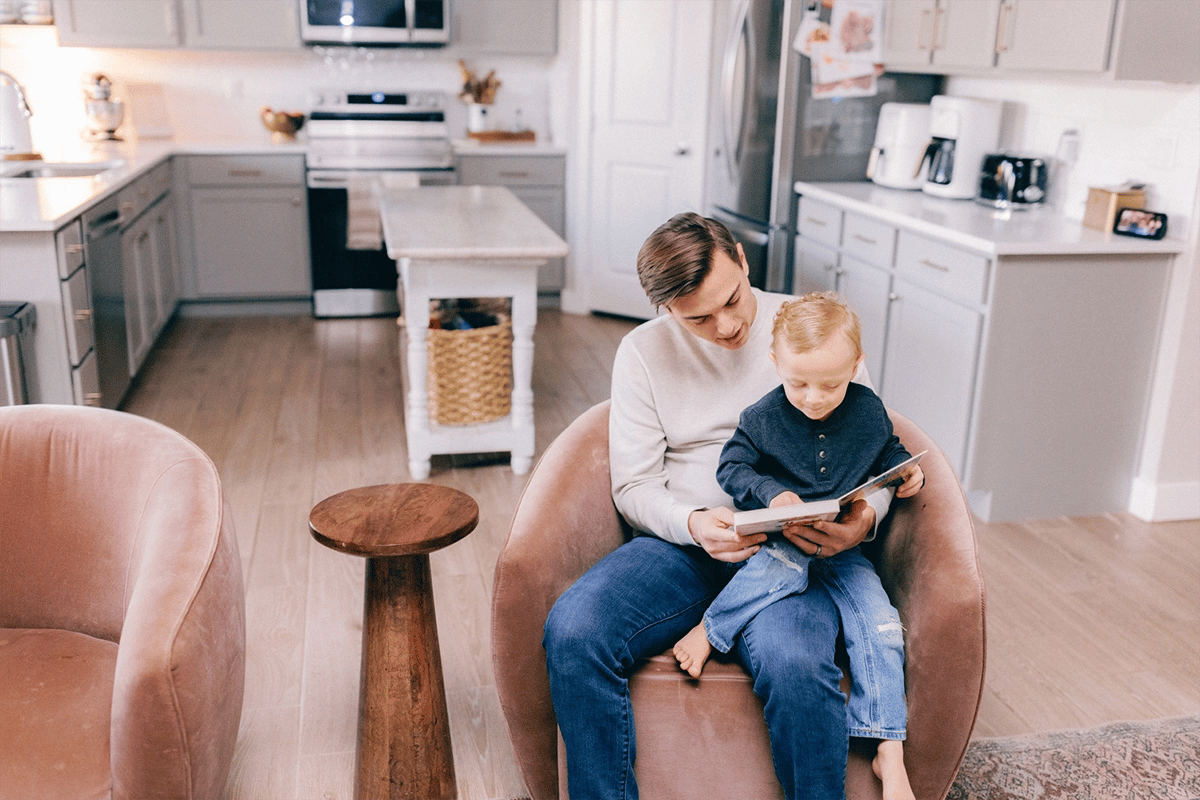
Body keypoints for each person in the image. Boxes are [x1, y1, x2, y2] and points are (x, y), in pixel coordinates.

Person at [542, 212, 896, 800]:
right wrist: (693, 524)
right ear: (666, 310)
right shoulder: (642, 352)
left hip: (795, 556)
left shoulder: (814, 330)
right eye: (697, 318)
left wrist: (864, 521)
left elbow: (875, 452)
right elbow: (632, 487)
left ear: (741, 256)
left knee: (795, 665)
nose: (727, 326)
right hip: (681, 548)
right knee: (574, 631)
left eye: (732, 300)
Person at [672, 292, 923, 800]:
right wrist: (773, 495)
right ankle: (710, 627)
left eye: (831, 384)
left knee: (882, 627)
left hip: (845, 553)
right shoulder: (762, 417)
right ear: (776, 364)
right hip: (783, 543)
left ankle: (888, 750)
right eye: (797, 382)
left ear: (856, 365)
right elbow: (732, 467)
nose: (813, 397)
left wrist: (905, 471)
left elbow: (886, 448)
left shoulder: (868, 407)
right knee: (777, 572)